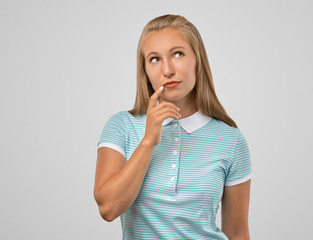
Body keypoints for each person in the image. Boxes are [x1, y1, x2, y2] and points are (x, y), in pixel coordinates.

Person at [94, 14, 252, 240]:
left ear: (197, 59)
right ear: (145, 71)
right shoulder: (122, 126)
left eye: (177, 54)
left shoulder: (231, 139)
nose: (167, 70)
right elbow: (108, 208)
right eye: (155, 59)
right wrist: (148, 140)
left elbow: (237, 232)